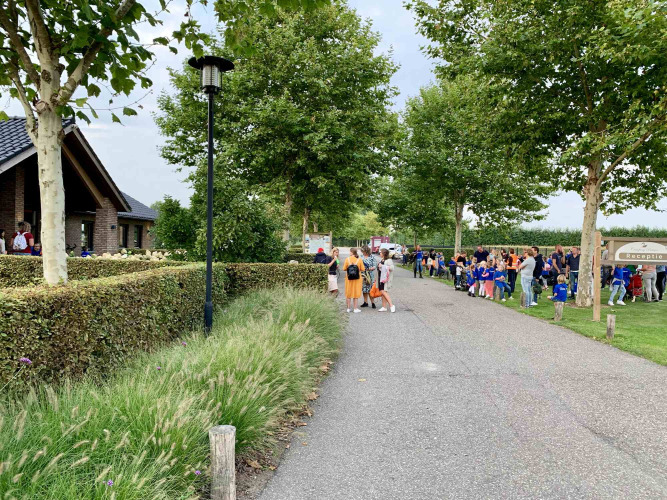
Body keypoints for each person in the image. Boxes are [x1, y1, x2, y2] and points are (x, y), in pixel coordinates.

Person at [343, 248, 365, 313]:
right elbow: (363, 269)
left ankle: (348, 308)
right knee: (355, 293)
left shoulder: (347, 259)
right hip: (357, 279)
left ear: (352, 252)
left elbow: (344, 268)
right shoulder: (359, 260)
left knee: (348, 293)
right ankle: (355, 308)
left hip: (349, 278)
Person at [377, 248, 396, 313]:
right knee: (383, 293)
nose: (380, 253)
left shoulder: (389, 260)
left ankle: (391, 305)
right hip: (381, 278)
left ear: (384, 253)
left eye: (380, 252)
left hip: (385, 279)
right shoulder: (382, 260)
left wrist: (382, 266)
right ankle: (384, 306)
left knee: (384, 291)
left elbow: (392, 268)